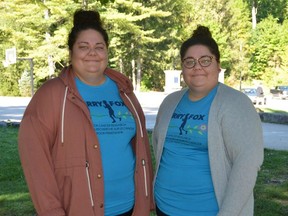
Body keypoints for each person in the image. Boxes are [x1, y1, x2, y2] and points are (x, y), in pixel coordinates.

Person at [18, 9, 154, 216]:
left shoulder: (124, 91)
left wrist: (144, 201)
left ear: (107, 52)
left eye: (99, 47)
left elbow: (140, 149)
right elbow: (35, 163)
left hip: (129, 207)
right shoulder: (51, 95)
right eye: (83, 47)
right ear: (71, 52)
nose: (92, 53)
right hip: (78, 209)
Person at [152, 25, 264, 216]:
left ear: (218, 65)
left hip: (210, 210)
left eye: (205, 60)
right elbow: (158, 145)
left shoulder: (236, 103)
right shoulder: (170, 102)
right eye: (189, 62)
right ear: (182, 68)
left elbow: (247, 163)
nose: (197, 67)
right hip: (164, 207)